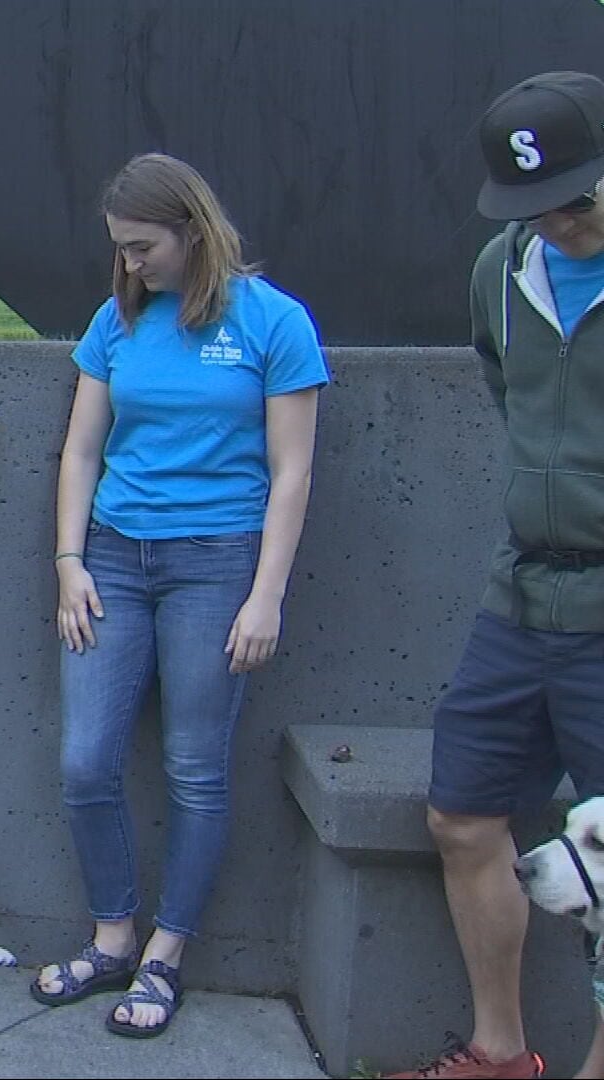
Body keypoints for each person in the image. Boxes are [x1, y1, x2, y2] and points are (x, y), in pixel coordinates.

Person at [33, 153, 326, 1038]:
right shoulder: (116, 321)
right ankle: (113, 934)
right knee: (86, 761)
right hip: (114, 559)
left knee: (195, 768)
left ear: (193, 231)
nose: (130, 265)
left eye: (143, 246)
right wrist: (68, 561)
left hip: (216, 564)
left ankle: (165, 955)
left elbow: (292, 472)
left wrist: (265, 595)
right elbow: (81, 449)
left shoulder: (274, 323)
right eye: (120, 250)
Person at [388, 71, 604, 1080]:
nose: (558, 223)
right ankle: (500, 1054)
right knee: (462, 813)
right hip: (522, 599)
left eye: (577, 199)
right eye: (536, 207)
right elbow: (505, 395)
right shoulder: (501, 270)